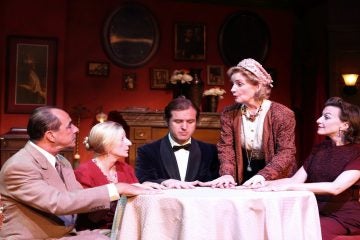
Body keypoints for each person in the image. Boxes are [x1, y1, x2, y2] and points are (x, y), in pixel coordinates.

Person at [0, 106, 159, 239]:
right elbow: (59, 202)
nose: (76, 129)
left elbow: (79, 197)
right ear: (50, 135)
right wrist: (116, 188)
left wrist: (149, 186)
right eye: (69, 125)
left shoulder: (62, 161)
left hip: (67, 234)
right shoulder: (19, 166)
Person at [256, 97, 360, 240]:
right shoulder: (320, 148)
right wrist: (262, 183)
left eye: (326, 117)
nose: (318, 120)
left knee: (299, 234)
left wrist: (288, 188)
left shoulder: (357, 152)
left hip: (343, 216)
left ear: (345, 125)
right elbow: (295, 180)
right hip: (312, 210)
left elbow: (335, 188)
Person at [200, 58, 297, 188]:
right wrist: (227, 174)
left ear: (257, 86)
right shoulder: (229, 113)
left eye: (239, 84)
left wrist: (263, 175)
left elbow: (286, 152)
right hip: (244, 172)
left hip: (276, 177)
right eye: (233, 84)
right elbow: (226, 147)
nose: (233, 89)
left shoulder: (282, 114)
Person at [74, 121, 164, 230]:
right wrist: (119, 190)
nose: (129, 143)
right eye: (122, 139)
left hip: (127, 229)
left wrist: (145, 185)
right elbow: (92, 218)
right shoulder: (84, 172)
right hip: (95, 232)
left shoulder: (125, 168)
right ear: (106, 143)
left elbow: (136, 203)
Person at [135, 96, 220, 189]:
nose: (184, 127)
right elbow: (143, 181)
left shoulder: (211, 151)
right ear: (167, 121)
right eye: (178, 121)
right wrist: (164, 182)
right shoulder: (147, 151)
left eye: (190, 121)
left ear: (197, 122)